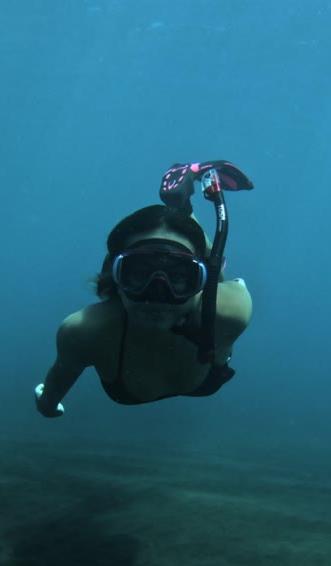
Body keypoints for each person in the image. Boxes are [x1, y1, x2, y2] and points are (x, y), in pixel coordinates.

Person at [34, 161, 254, 417]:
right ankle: (180, 211)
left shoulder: (230, 310)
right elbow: (57, 383)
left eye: (179, 277)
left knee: (217, 283)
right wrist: (47, 403)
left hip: (208, 302)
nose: (157, 295)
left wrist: (47, 406)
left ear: (199, 281)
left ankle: (181, 208)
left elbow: (51, 394)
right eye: (138, 274)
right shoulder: (84, 331)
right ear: (116, 276)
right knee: (190, 262)